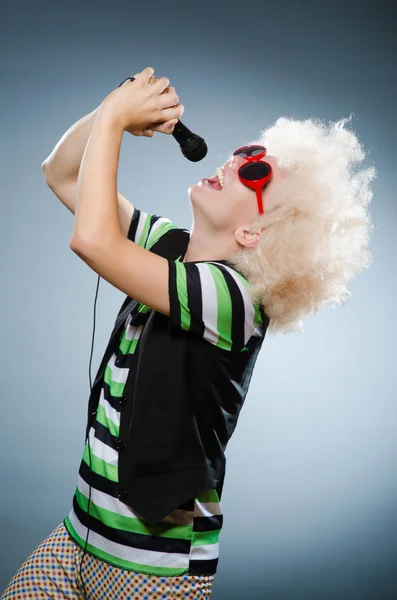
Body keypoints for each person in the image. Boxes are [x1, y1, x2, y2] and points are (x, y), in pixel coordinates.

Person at [1, 67, 375, 600]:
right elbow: (61, 175)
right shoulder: (168, 246)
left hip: (151, 568)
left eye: (257, 173)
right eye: (248, 150)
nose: (239, 160)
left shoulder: (233, 300)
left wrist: (114, 120)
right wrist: (114, 110)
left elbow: (93, 241)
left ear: (253, 232)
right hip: (78, 537)